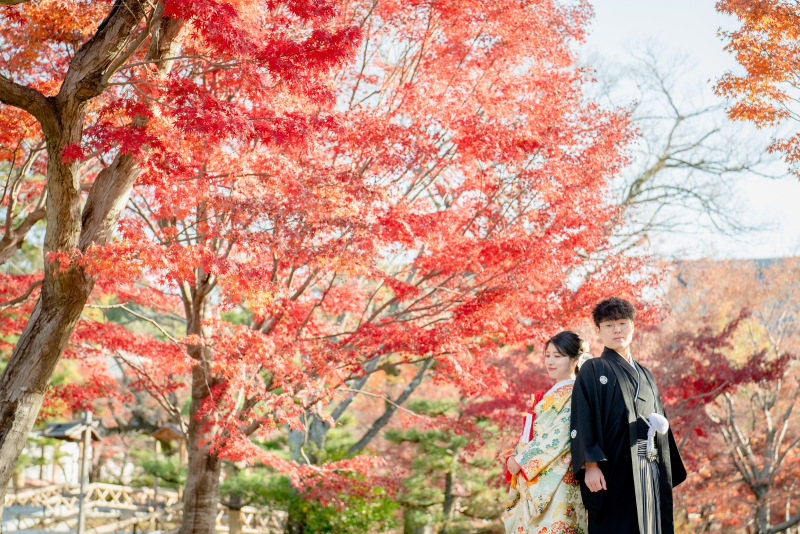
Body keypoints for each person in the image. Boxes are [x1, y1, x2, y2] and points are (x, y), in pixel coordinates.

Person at [570, 297, 687, 534]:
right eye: (609, 325)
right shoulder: (593, 369)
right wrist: (590, 465)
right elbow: (583, 416)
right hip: (612, 468)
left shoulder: (646, 373)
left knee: (652, 523)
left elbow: (660, 420)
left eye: (622, 323)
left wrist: (666, 469)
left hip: (649, 463)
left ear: (632, 325)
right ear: (599, 331)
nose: (617, 330)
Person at [501, 331, 588, 534]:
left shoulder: (575, 393)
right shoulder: (555, 392)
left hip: (556, 475)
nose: (550, 361)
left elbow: (559, 435)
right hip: (538, 474)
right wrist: (516, 455)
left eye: (558, 356)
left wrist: (521, 460)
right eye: (547, 355)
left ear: (574, 360)